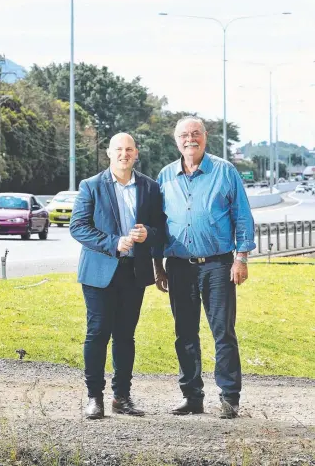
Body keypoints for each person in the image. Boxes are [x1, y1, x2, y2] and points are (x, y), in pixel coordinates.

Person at [153, 116, 256, 419]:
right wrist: (158, 266)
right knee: (184, 332)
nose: (190, 139)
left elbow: (242, 216)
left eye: (195, 134)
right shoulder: (165, 176)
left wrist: (241, 258)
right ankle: (192, 395)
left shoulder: (225, 171)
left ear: (205, 136)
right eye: (184, 135)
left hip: (217, 265)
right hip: (178, 267)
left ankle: (229, 397)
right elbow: (159, 224)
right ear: (176, 140)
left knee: (222, 331)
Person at [70, 132, 162, 420]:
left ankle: (121, 397)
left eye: (129, 149)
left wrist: (148, 234)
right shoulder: (91, 186)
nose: (124, 154)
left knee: (125, 336)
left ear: (136, 154)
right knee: (97, 334)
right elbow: (78, 227)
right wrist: (113, 243)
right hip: (99, 272)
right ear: (109, 153)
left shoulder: (149, 187)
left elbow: (161, 228)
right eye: (119, 149)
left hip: (134, 272)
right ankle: (94, 398)